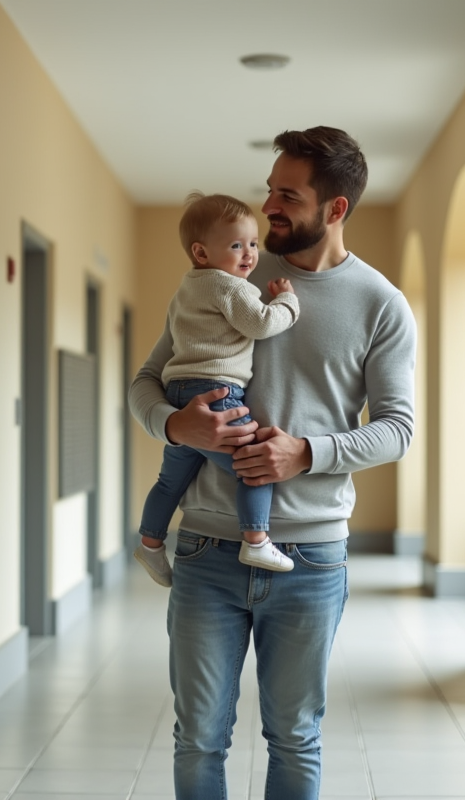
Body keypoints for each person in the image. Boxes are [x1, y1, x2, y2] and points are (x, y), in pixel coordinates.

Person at [129, 126, 416, 799]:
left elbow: (399, 430)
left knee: (295, 736)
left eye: (288, 195)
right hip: (205, 549)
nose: (270, 206)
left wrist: (306, 453)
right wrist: (176, 424)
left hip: (312, 559)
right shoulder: (222, 275)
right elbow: (145, 381)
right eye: (270, 189)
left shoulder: (380, 305)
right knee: (198, 737)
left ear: (335, 209)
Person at [134, 192, 301, 588]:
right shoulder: (233, 287)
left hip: (180, 395)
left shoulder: (186, 289)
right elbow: (260, 324)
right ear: (201, 252)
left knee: (170, 481)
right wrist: (288, 303)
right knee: (255, 467)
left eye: (253, 244)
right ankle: (256, 538)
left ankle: (150, 542)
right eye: (236, 245)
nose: (249, 255)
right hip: (219, 394)